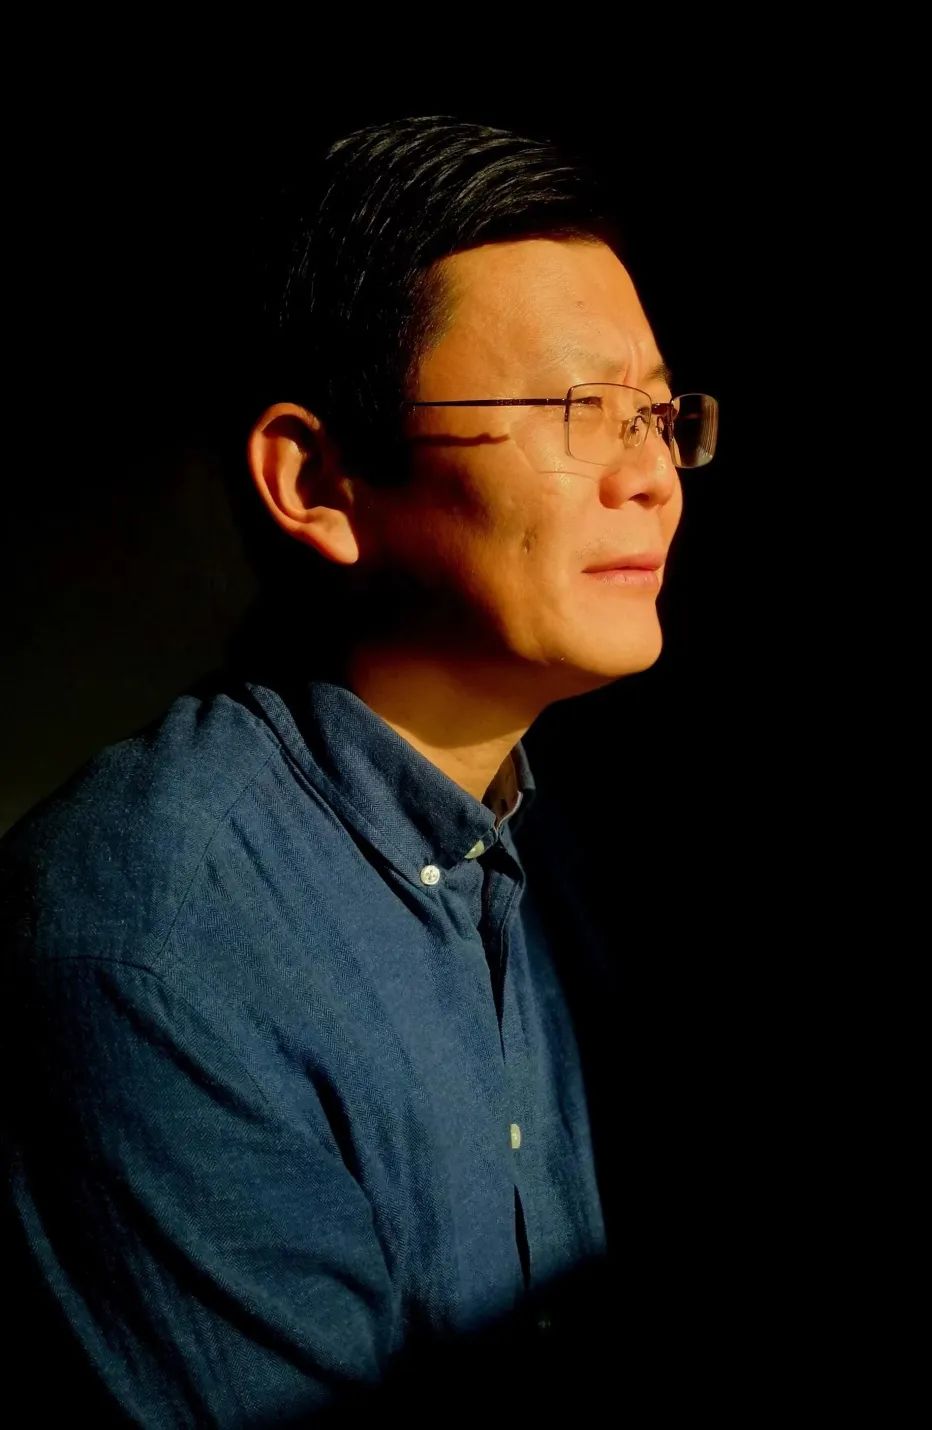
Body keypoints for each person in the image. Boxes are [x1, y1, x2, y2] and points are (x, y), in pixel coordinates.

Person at [1, 115, 718, 1423]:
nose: (653, 476)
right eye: (577, 409)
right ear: (319, 479)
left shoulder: (544, 850)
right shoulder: (154, 940)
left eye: (659, 412)